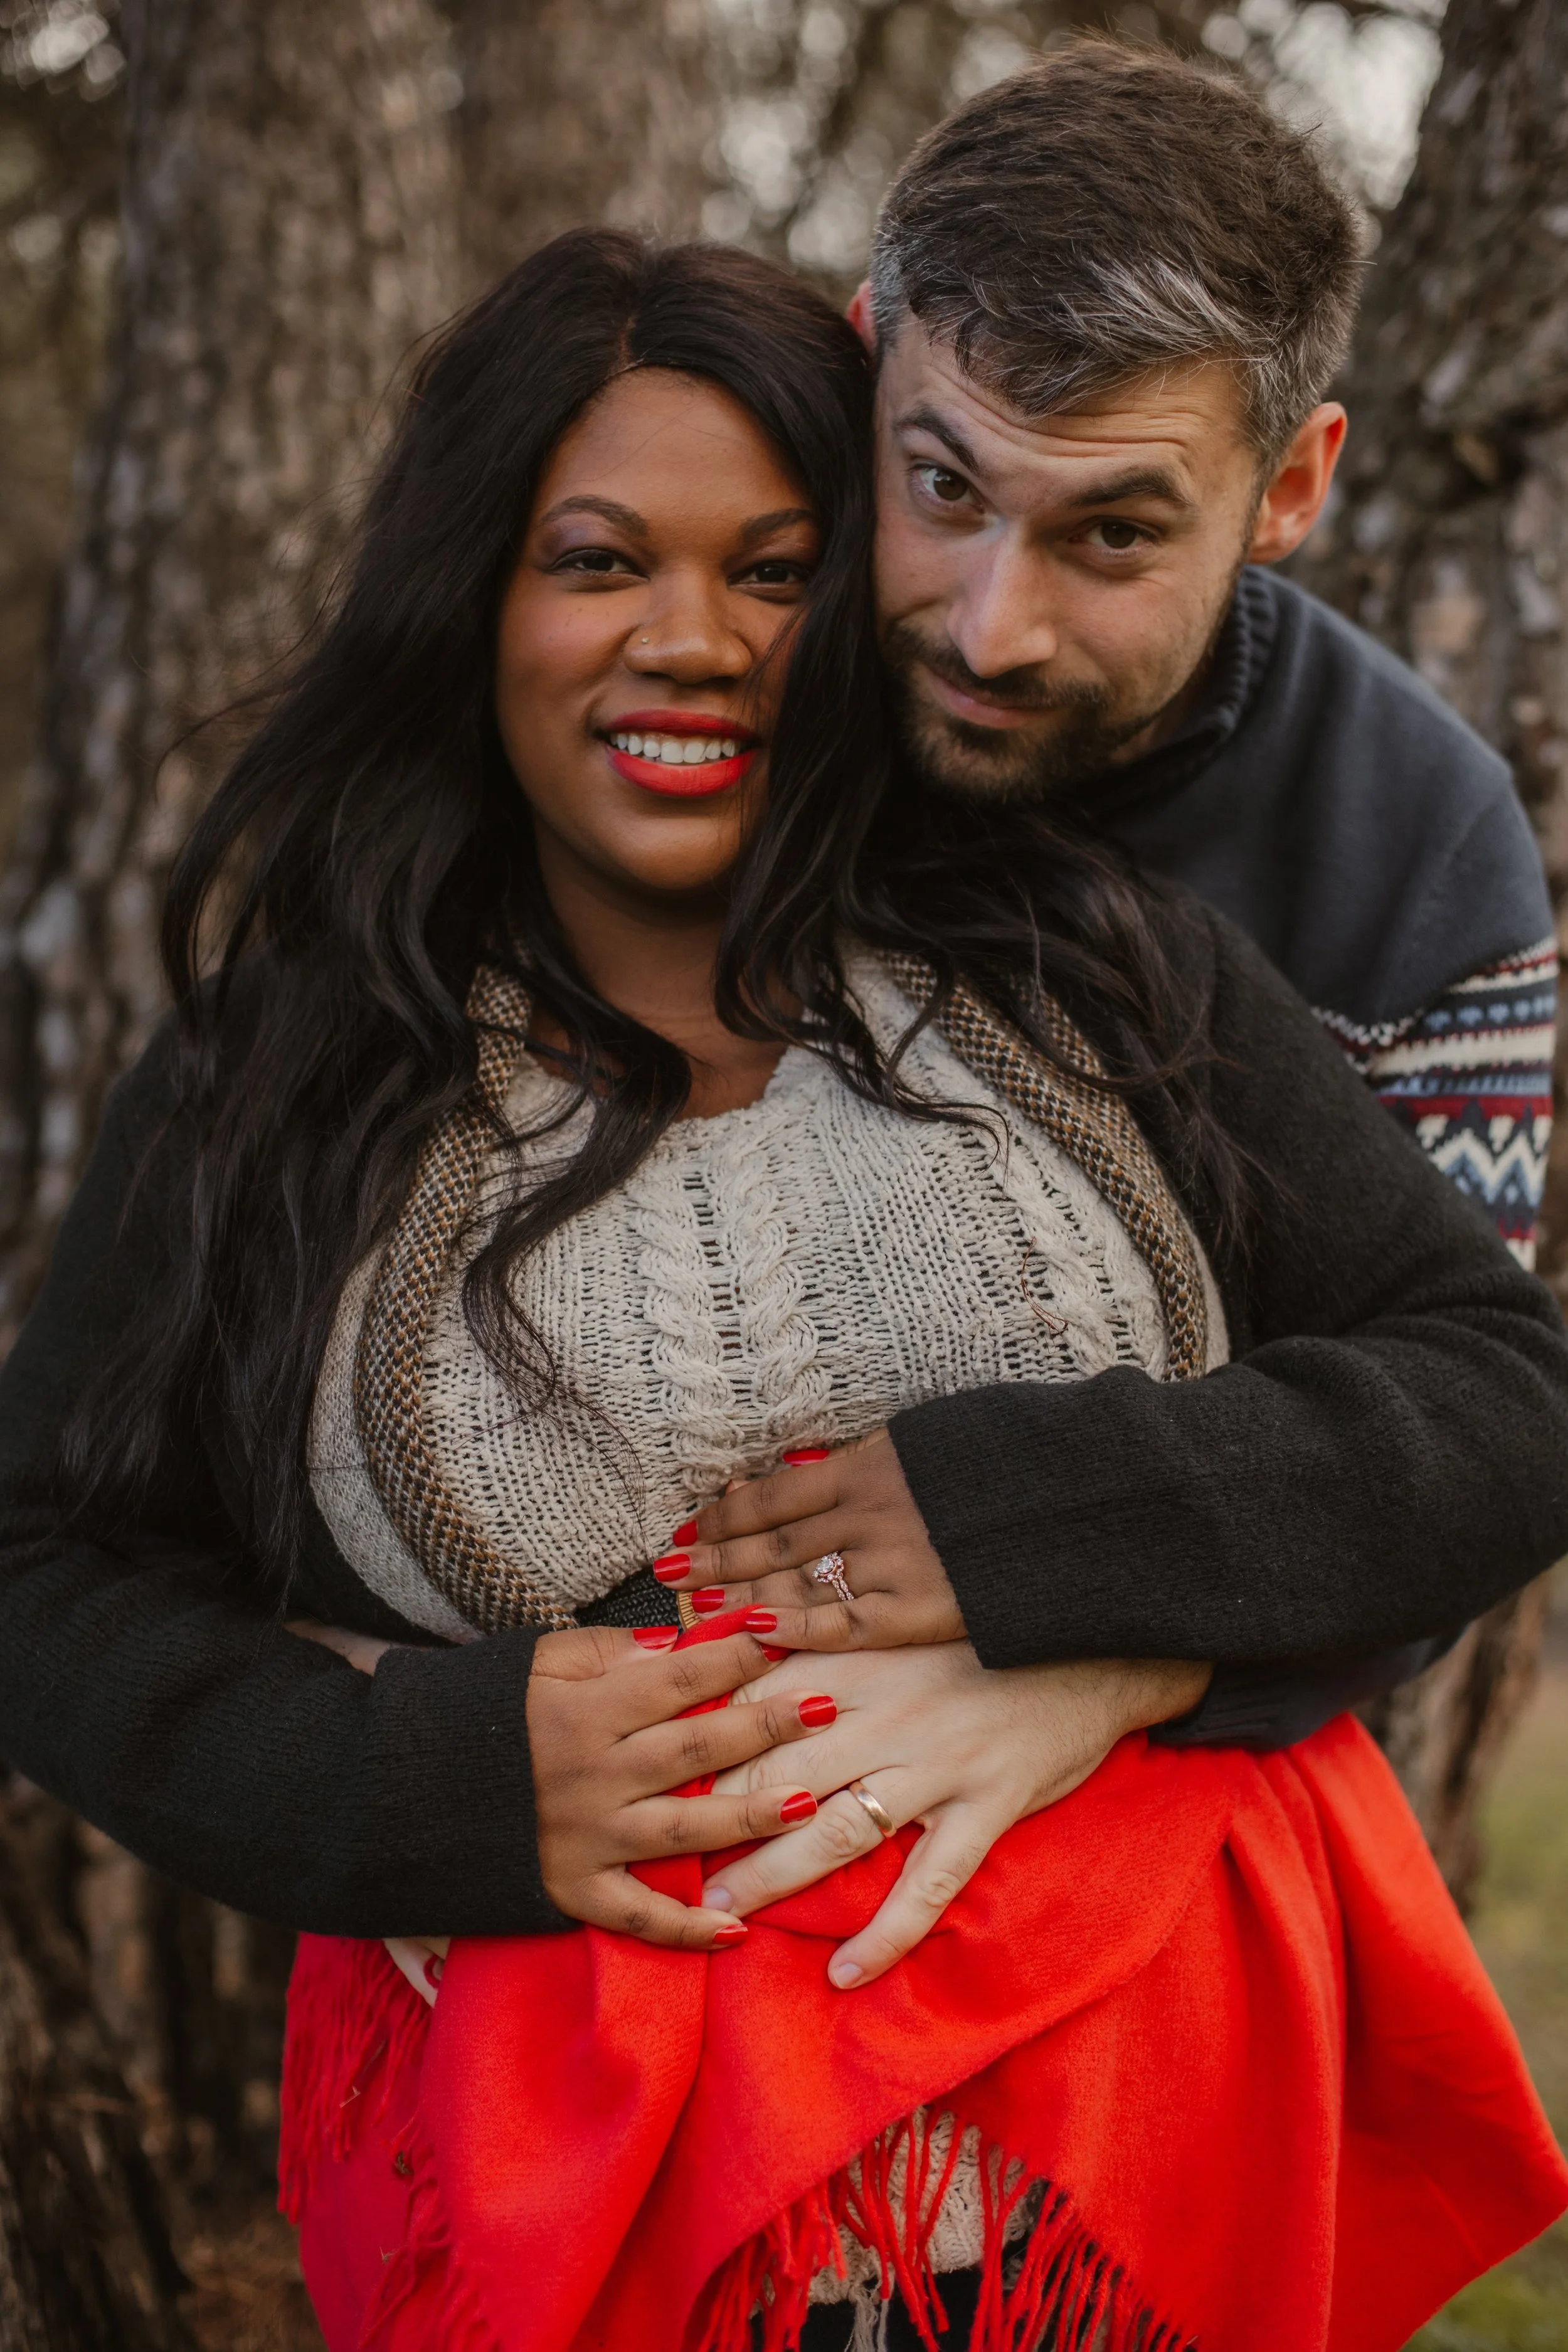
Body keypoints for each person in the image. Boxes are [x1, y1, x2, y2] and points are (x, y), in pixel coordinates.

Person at [1, 233, 1565, 2350]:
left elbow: (1499, 1390)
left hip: (1132, 2201)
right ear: (472, 599)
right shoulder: (288, 1083)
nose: (690, 642)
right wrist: (430, 1777)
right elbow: (44, 1563)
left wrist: (1043, 1537)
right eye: (595, 560)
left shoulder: (1090, 970)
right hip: (583, 2224)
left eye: (771, 570)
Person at [689, 40, 1558, 1752]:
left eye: (1109, 535)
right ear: (864, 358)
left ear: (1289, 487)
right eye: (943, 487)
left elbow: (1448, 1464)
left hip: (1159, 1812)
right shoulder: (683, 697)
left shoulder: (1416, 856)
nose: (988, 625)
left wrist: (1112, 1665)